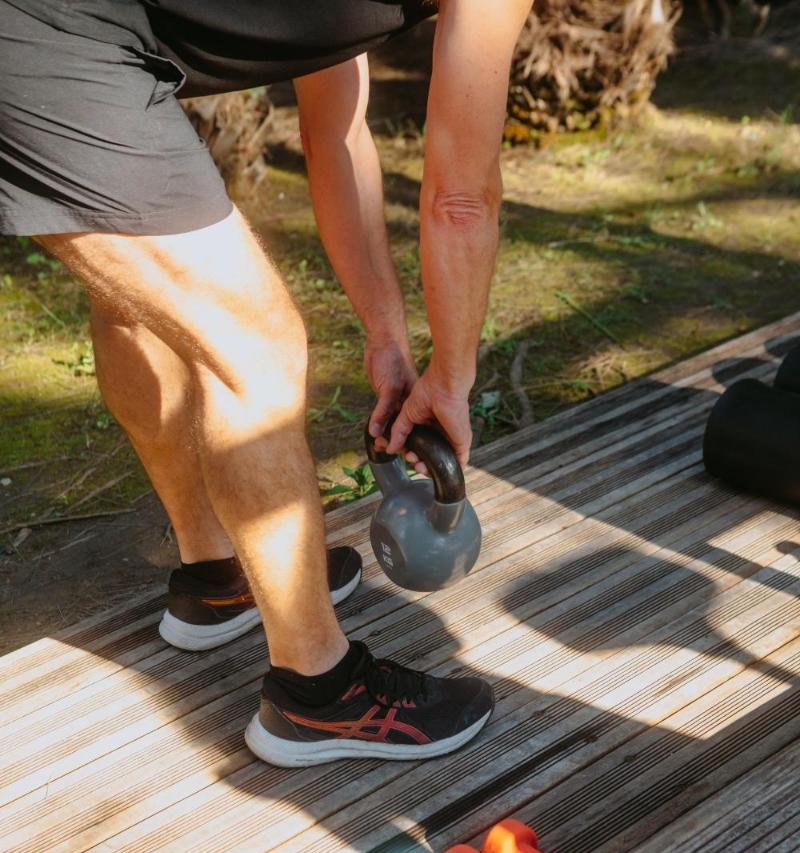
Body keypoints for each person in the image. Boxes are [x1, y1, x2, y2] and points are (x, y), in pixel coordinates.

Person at [0, 0, 532, 766]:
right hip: (47, 41)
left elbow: (335, 132)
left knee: (149, 290)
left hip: (73, 37)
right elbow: (459, 199)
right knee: (256, 346)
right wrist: (451, 379)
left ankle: (218, 576)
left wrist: (387, 341)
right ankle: (318, 693)